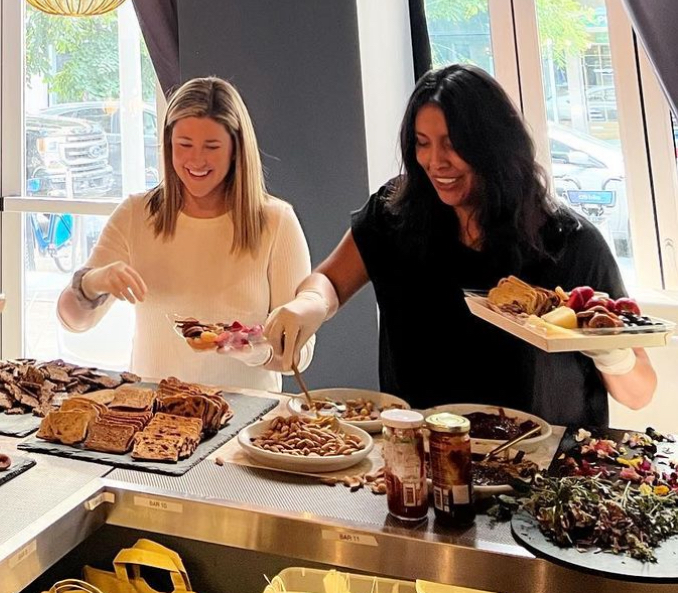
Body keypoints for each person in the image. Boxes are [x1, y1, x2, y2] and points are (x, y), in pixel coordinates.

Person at [265, 63, 657, 427]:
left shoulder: (568, 242)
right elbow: (330, 281)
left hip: (538, 474)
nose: (435, 162)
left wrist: (611, 352)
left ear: (494, 146)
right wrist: (307, 306)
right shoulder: (393, 215)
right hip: (421, 456)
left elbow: (639, 392)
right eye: (422, 143)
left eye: (452, 144)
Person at [56, 76, 313, 390]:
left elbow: (299, 356)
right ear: (168, 146)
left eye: (212, 147)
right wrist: (92, 282)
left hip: (245, 423)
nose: (197, 160)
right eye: (185, 145)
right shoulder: (136, 215)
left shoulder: (277, 222)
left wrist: (254, 351)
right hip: (155, 417)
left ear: (236, 149)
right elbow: (72, 320)